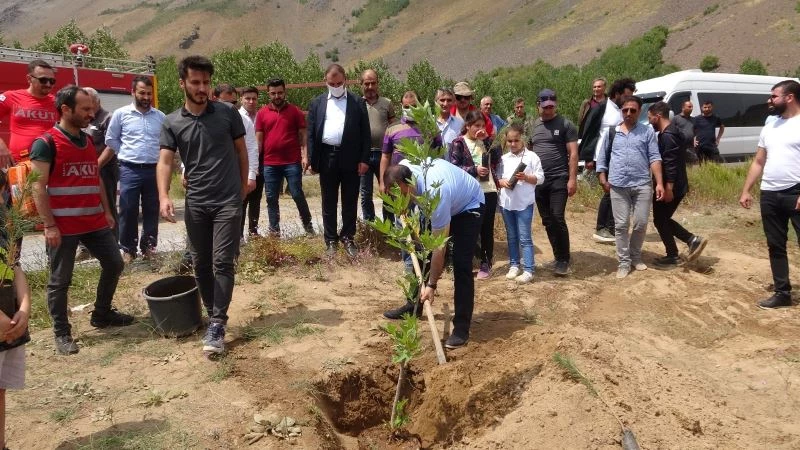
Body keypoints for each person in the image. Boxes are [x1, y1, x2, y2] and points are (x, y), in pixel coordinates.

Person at [157, 55, 251, 355]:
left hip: (227, 201)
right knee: (200, 262)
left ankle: (218, 323)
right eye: (196, 82)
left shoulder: (227, 114)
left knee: (223, 261)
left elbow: (241, 151)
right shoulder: (171, 122)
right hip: (196, 202)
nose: (202, 88)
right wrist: (163, 196)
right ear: (182, 83)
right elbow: (165, 161)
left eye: (206, 82)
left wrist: (241, 186)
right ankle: (212, 313)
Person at [31, 86, 133, 355]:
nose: (92, 114)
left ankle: (102, 315)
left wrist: (107, 210)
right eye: (85, 109)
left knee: (114, 263)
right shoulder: (46, 143)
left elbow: (95, 176)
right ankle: (61, 333)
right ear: (66, 109)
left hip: (94, 221)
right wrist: (50, 225)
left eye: (92, 108)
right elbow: (37, 186)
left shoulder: (88, 141)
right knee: (60, 280)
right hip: (63, 227)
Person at [381, 160, 483, 349]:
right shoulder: (404, 166)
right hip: (448, 198)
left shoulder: (436, 192)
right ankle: (414, 306)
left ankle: (461, 328)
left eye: (402, 194)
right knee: (422, 255)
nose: (400, 198)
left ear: (410, 183)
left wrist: (432, 285)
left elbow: (439, 247)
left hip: (469, 205)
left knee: (461, 264)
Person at [739, 80, 800, 309]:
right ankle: (782, 293)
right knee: (775, 245)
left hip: (796, 192)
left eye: (774, 96)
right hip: (770, 193)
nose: (769, 100)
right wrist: (746, 190)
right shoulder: (770, 125)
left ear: (790, 97)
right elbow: (759, 161)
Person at [307, 64, 371, 257]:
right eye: (331, 83)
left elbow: (365, 134)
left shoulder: (357, 102)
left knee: (350, 199)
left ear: (346, 80)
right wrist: (312, 159)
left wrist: (364, 159)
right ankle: (330, 240)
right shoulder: (317, 103)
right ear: (325, 81)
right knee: (329, 200)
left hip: (351, 157)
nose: (335, 86)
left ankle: (348, 237)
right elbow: (310, 133)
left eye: (339, 83)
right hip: (327, 156)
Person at [596, 96, 664, 279]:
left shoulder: (647, 132)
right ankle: (624, 262)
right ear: (621, 110)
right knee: (621, 225)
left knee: (641, 223)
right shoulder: (612, 132)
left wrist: (659, 183)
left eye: (633, 110)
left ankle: (635, 256)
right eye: (625, 110)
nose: (628, 113)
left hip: (642, 184)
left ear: (639, 112)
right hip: (618, 185)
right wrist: (603, 178)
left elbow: (655, 158)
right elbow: (602, 158)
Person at [101, 76, 166, 262]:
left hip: (154, 170)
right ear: (133, 93)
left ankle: (149, 247)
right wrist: (125, 152)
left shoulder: (160, 117)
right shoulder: (121, 114)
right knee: (128, 209)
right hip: (130, 169)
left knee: (152, 209)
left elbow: (165, 143)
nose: (146, 97)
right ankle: (128, 249)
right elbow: (111, 140)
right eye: (142, 93)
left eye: (148, 93)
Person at [647, 101, 708, 267]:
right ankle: (685, 244)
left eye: (650, 117)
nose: (649, 121)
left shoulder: (668, 136)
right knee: (662, 219)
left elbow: (670, 164)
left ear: (658, 116)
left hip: (671, 186)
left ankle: (685, 245)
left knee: (660, 219)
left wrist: (668, 188)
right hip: (676, 184)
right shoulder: (674, 132)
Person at [527, 89, 579, 276]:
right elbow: (528, 153)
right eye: (545, 107)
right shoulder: (532, 126)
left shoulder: (566, 124)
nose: (548, 110)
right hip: (539, 180)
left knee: (557, 216)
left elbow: (573, 153)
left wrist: (572, 179)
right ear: (538, 106)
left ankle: (564, 259)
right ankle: (558, 257)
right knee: (547, 220)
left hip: (559, 177)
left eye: (551, 107)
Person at [579, 77, 637, 244]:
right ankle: (605, 228)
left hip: (618, 155)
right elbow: (587, 132)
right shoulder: (602, 108)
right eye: (626, 96)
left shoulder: (622, 109)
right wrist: (589, 158)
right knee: (612, 190)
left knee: (613, 191)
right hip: (603, 156)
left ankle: (607, 228)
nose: (628, 100)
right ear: (617, 93)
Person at [255, 78, 313, 235]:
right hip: (270, 163)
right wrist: (254, 163)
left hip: (291, 162)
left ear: (285, 92)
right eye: (273, 93)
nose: (277, 96)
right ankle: (274, 231)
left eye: (280, 92)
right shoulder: (261, 114)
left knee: (296, 194)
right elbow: (258, 141)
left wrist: (305, 156)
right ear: (268, 94)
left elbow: (303, 136)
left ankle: (308, 227)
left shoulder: (295, 112)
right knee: (271, 198)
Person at [0, 170, 32, 450]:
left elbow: (14, 263)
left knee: (0, 388)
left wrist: (24, 306)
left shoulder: (6, 224)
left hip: (9, 319)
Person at [448, 111, 501, 279]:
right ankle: (466, 261)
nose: (480, 129)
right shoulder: (459, 142)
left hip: (489, 190)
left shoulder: (486, 142)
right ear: (468, 126)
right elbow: (455, 167)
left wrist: (487, 139)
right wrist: (474, 170)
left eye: (482, 125)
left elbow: (498, 158)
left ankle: (486, 262)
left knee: (487, 228)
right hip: (470, 192)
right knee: (469, 228)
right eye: (476, 126)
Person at [497, 123, 544, 283]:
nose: (512, 144)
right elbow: (497, 178)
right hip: (507, 203)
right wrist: (502, 182)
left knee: (524, 237)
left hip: (524, 203)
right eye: (509, 141)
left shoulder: (531, 157)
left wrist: (526, 177)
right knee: (511, 236)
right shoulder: (503, 158)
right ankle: (514, 264)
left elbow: (540, 178)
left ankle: (529, 268)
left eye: (516, 140)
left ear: (522, 139)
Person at [214, 84, 259, 238]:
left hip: (235, 174)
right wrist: (185, 168)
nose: (230, 107)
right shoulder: (204, 119)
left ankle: (236, 240)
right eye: (226, 103)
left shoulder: (243, 121)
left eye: (233, 104)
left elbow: (251, 148)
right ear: (215, 99)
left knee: (235, 208)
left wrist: (251, 175)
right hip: (212, 176)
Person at [76, 88, 115, 261]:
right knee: (85, 207)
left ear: (97, 101)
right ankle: (85, 248)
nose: (87, 107)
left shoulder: (108, 117)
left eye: (89, 102)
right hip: (83, 171)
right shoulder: (81, 119)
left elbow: (112, 145)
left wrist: (95, 166)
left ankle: (113, 246)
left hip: (105, 170)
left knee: (109, 208)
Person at [0, 59, 57, 168]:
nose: (48, 84)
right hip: (19, 165)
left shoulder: (57, 102)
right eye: (43, 80)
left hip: (49, 164)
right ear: (29, 79)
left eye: (52, 81)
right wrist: (1, 145)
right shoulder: (11, 96)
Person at [360, 69, 395, 222]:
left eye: (373, 83)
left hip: (384, 155)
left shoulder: (387, 103)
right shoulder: (357, 104)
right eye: (366, 83)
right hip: (364, 155)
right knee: (365, 193)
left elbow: (393, 125)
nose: (370, 86)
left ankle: (390, 227)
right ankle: (370, 225)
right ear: (361, 85)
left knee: (388, 190)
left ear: (378, 84)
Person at [238, 86, 265, 235]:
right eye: (247, 98)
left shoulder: (261, 116)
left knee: (256, 198)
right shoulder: (237, 117)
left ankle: (253, 232)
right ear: (241, 99)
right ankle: (239, 234)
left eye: (254, 98)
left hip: (260, 161)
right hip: (243, 162)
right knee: (242, 199)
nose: (251, 101)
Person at [672, 100, 699, 164]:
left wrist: (695, 139)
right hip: (679, 148)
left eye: (692, 107)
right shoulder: (676, 119)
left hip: (690, 148)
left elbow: (696, 131)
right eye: (689, 107)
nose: (691, 108)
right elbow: (672, 132)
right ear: (683, 108)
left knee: (692, 166)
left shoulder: (693, 119)